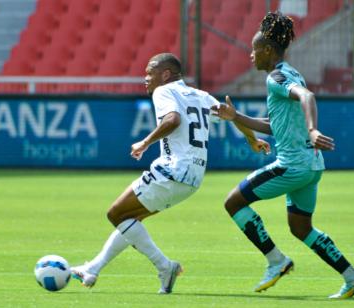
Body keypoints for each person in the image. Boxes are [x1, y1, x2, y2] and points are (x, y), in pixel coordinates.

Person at [71, 53, 268, 294]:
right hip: (193, 177)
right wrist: (253, 140)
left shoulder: (163, 92)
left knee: (117, 214)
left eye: (149, 73)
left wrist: (145, 142)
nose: (145, 79)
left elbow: (173, 119)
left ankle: (165, 267)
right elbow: (231, 115)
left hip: (173, 170)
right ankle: (93, 268)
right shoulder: (201, 96)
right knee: (131, 220)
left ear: (165, 74)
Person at [212, 12, 354, 299]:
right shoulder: (290, 72)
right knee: (300, 227)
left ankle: (276, 261)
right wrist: (236, 117)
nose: (251, 55)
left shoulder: (277, 77)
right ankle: (352, 276)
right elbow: (275, 126)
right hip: (311, 166)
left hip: (293, 165)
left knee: (233, 202)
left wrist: (312, 129)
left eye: (255, 49)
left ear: (268, 50)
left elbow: (307, 96)